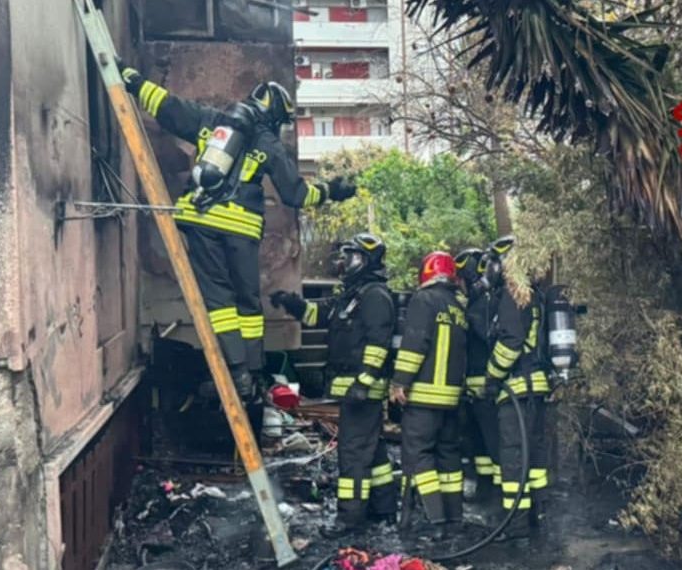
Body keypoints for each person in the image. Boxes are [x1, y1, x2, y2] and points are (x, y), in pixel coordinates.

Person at [118, 61, 356, 406]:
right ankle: (254, 372)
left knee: (219, 303)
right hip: (241, 230)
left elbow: (166, 106)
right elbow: (297, 195)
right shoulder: (267, 143)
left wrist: (131, 78)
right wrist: (332, 190)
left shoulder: (210, 122)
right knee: (247, 303)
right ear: (274, 115)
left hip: (201, 222)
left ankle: (238, 372)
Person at [269, 233, 398, 537]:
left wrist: (363, 383)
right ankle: (384, 509)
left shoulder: (375, 296)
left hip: (363, 391)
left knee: (352, 454)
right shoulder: (352, 295)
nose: (345, 262)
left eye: (352, 257)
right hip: (353, 390)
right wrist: (291, 303)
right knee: (373, 451)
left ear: (368, 261)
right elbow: (319, 315)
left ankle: (349, 519)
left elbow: (378, 345)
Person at [391, 252, 469, 536]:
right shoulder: (458, 306)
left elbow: (415, 343)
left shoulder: (424, 300)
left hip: (424, 397)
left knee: (418, 455)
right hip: (452, 399)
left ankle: (434, 520)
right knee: (448, 457)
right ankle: (453, 518)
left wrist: (399, 382)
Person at [482, 236, 552, 539]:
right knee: (534, 456)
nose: (489, 270)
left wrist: (491, 377)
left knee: (512, 456)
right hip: (535, 386)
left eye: (493, 263)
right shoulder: (534, 294)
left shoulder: (512, 295)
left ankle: (515, 524)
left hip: (516, 387)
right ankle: (536, 514)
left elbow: (511, 343)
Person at [454, 247, 501, 510]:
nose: (458, 285)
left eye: (460, 279)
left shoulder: (483, 306)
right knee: (478, 443)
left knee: (493, 444)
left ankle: (498, 496)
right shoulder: (476, 303)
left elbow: (488, 339)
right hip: (473, 390)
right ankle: (485, 490)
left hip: (485, 388)